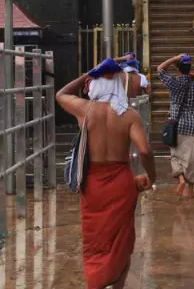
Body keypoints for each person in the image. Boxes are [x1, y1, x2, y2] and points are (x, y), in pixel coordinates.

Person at [56, 59, 156, 289]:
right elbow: (144, 150)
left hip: (93, 185)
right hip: (121, 182)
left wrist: (88, 72)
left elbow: (61, 93)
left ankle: (96, 281)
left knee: (95, 240)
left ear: (95, 84)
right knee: (121, 242)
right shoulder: (129, 115)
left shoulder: (85, 110)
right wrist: (152, 176)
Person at [157, 54, 194, 198]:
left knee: (175, 155)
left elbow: (159, 69)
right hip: (193, 126)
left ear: (179, 69)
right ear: (190, 69)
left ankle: (181, 179)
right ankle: (191, 190)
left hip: (177, 125)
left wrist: (174, 58)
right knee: (191, 158)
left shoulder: (174, 83)